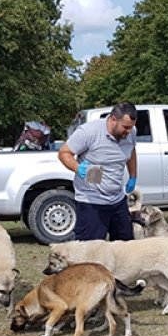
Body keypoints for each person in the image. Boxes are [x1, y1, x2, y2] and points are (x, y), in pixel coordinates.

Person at [57, 102, 138, 241]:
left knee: (125, 248)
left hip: (117, 199)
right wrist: (78, 168)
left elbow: (131, 151)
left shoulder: (130, 133)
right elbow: (64, 153)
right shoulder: (89, 132)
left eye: (131, 128)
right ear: (113, 119)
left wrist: (133, 176)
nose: (129, 132)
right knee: (90, 251)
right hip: (91, 201)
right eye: (125, 127)